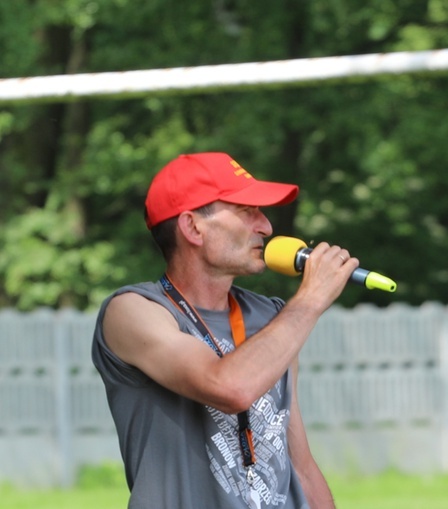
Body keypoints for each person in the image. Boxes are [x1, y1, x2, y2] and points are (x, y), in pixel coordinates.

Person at [92, 152, 357, 509]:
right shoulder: (132, 311)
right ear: (192, 227)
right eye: (248, 211)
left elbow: (300, 463)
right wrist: (310, 300)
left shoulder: (272, 316)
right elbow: (229, 388)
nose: (265, 227)